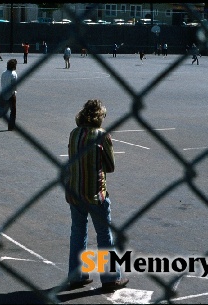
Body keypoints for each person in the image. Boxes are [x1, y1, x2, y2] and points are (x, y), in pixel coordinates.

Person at [65, 99, 129, 291]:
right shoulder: (102, 135)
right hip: (95, 193)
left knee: (78, 232)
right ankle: (110, 278)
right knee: (104, 234)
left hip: (75, 191)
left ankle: (77, 275)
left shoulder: (74, 133)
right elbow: (110, 166)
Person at [0, 59, 18, 131]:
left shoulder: (3, 73)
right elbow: (14, 86)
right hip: (11, 95)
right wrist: (14, 92)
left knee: (3, 111)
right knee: (13, 111)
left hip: (3, 93)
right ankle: (11, 126)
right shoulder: (14, 74)